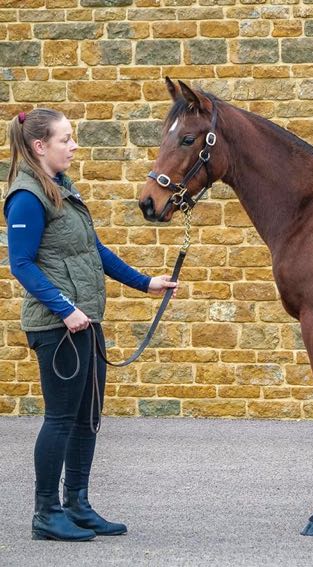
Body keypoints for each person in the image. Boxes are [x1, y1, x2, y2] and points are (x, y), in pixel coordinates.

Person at [4, 108, 178, 541]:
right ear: (40, 146)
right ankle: (47, 513)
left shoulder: (63, 188)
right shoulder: (26, 197)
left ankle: (77, 504)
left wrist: (145, 282)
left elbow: (92, 249)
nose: (74, 146)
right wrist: (64, 309)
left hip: (85, 321)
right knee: (60, 418)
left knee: (87, 418)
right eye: (66, 139)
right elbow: (21, 264)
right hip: (57, 327)